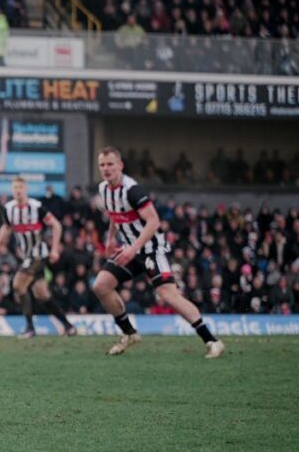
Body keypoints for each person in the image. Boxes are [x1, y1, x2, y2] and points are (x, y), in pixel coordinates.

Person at [91, 146, 224, 358]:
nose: (106, 169)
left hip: (151, 249)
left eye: (110, 164)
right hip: (130, 250)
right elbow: (115, 216)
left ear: (120, 166)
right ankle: (129, 334)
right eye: (102, 165)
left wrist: (134, 248)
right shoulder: (104, 189)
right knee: (101, 285)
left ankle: (212, 341)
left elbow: (154, 221)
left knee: (167, 295)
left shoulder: (133, 190)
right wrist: (109, 240)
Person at [0, 177, 76, 338]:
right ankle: (68, 326)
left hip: (38, 255)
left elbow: (56, 225)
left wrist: (55, 249)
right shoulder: (8, 209)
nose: (17, 190)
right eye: (15, 187)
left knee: (18, 285)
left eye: (20, 187)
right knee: (41, 294)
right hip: (25, 257)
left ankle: (29, 328)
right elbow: (7, 227)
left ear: (26, 189)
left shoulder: (36, 207)